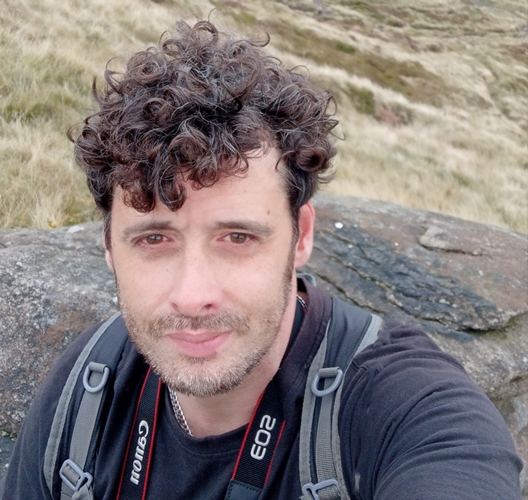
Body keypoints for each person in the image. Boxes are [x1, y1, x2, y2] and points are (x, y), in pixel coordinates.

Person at [1, 19, 522, 500]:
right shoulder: (85, 389)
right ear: (109, 246)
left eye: (237, 237)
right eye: (154, 239)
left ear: (301, 235)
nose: (192, 295)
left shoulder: (404, 407)